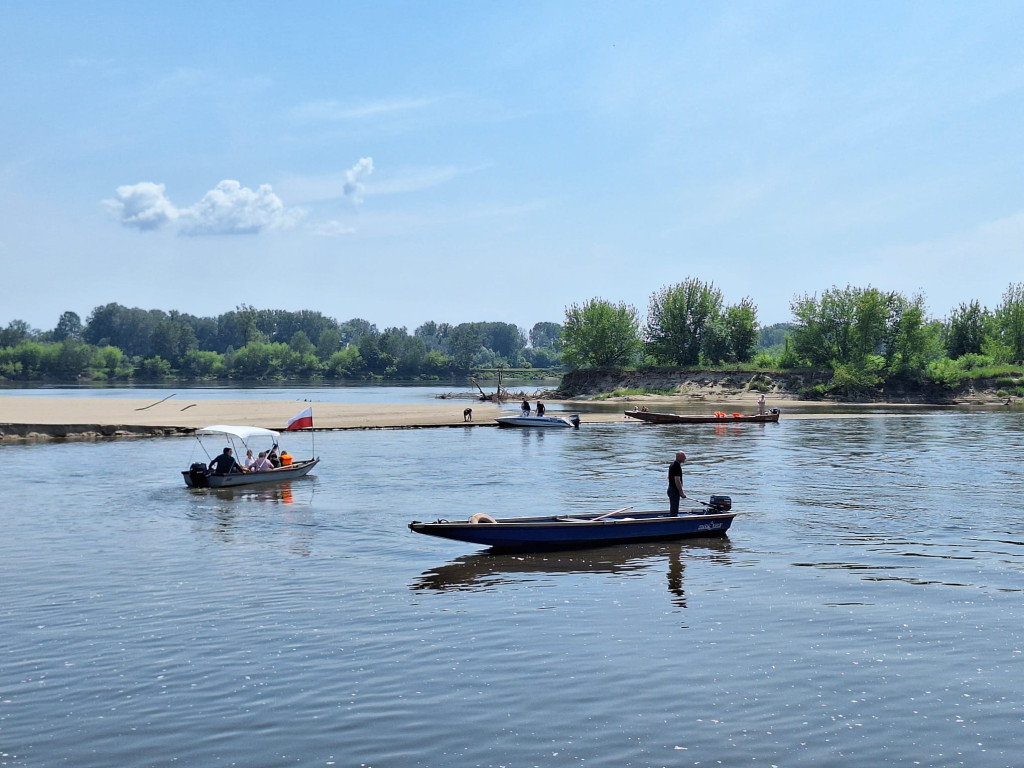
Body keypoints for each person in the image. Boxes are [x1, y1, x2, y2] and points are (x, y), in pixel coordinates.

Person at [667, 450, 686, 515]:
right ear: (678, 457)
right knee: (674, 511)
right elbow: (677, 480)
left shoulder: (672, 465)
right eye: (683, 457)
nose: (685, 458)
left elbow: (669, 477)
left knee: (674, 508)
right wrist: (681, 493)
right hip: (674, 490)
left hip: (671, 489)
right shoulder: (676, 466)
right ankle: (672, 522)